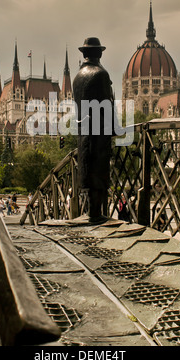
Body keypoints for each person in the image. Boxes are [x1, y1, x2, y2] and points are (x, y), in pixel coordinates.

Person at [73, 37, 114, 223]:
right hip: (99, 130)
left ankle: (92, 211)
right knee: (98, 170)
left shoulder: (78, 76)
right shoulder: (100, 74)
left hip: (83, 131)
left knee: (88, 169)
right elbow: (108, 104)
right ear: (99, 53)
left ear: (84, 54)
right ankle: (96, 214)